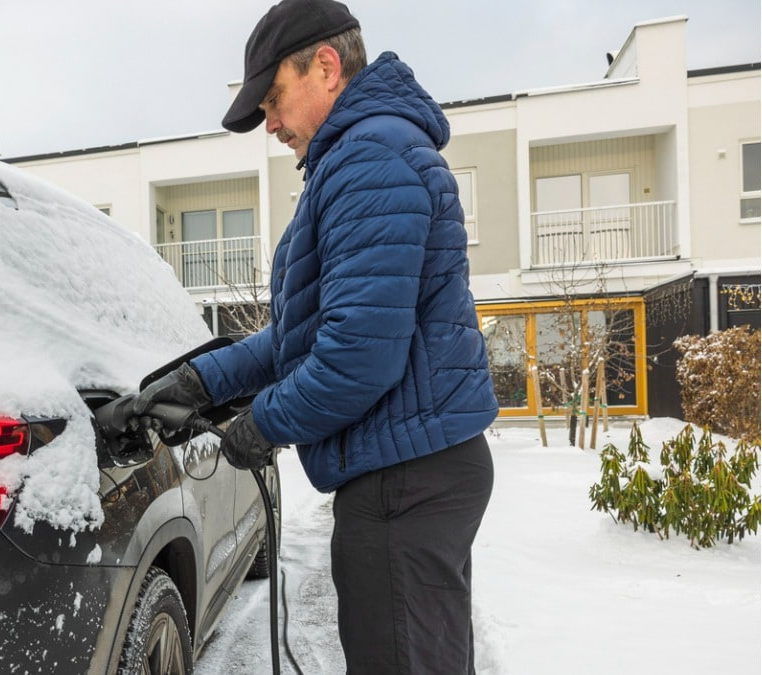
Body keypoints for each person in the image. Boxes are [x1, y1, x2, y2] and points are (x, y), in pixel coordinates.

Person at [133, 0, 499, 672]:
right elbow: (301, 337)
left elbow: (358, 355)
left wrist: (262, 424)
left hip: (405, 483)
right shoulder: (361, 156)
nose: (269, 123)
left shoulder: (368, 160)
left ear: (326, 67)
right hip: (414, 469)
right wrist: (203, 380)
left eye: (273, 98)